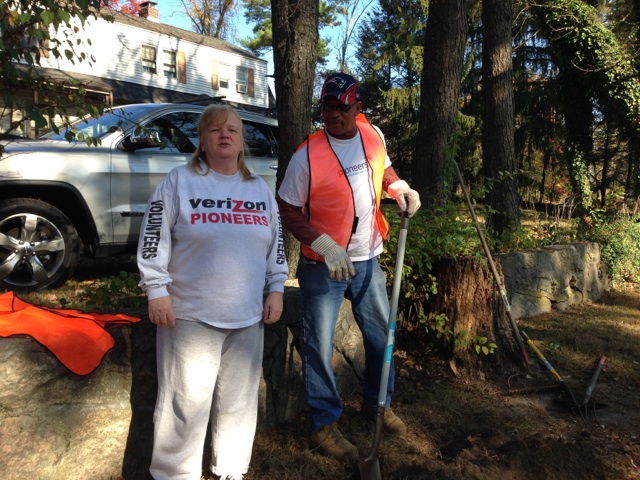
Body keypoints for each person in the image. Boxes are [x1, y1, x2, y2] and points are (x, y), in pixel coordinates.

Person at [137, 104, 288, 480]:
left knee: (238, 405)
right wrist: (156, 288)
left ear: (241, 143)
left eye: (233, 130)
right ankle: (174, 474)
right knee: (184, 405)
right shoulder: (178, 182)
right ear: (202, 142)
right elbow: (153, 234)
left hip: (248, 316)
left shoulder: (259, 190)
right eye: (215, 129)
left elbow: (276, 244)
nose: (225, 134)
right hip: (189, 315)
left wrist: (277, 287)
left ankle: (231, 471)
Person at [276, 72, 421, 461]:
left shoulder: (372, 134)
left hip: (368, 257)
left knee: (380, 335)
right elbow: (287, 209)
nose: (335, 115)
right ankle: (323, 425)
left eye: (343, 108)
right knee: (319, 347)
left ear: (358, 108)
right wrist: (322, 244)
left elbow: (384, 170)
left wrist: (399, 187)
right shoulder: (306, 155)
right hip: (323, 267)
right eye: (327, 107)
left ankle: (378, 403)